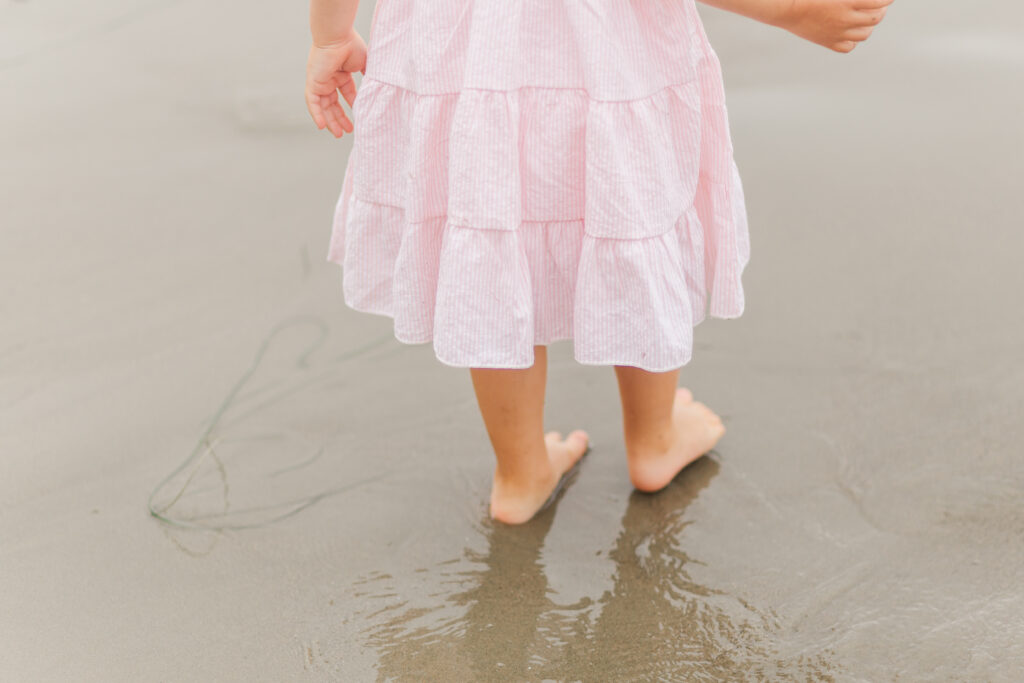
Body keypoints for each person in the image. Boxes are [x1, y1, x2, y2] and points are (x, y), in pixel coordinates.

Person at [304, 0, 893, 525]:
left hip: (460, 53)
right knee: (629, 211)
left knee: (494, 230)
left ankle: (521, 473)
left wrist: (330, 36)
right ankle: (654, 440)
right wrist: (791, 10)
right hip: (603, 44)